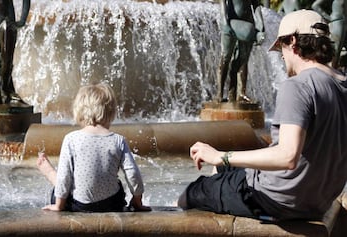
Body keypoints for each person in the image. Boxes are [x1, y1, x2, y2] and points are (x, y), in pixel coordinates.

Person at [178, 10, 347, 221]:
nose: (282, 56)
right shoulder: (342, 84)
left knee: (192, 193)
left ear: (293, 41)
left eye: (282, 49)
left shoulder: (299, 86)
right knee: (222, 171)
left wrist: (221, 155)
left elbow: (287, 156)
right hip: (317, 202)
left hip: (276, 198)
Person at [37, 83, 151, 212]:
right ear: (111, 112)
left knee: (59, 189)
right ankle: (53, 176)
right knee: (118, 184)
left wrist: (58, 206)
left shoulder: (71, 139)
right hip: (111, 205)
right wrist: (137, 201)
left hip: (79, 205)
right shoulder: (118, 140)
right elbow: (133, 174)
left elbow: (65, 177)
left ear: (79, 111)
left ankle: (52, 175)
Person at [216, 0, 265, 102]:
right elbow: (222, 3)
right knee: (226, 56)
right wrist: (225, 22)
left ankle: (241, 93)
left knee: (243, 58)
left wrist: (261, 27)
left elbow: (256, 5)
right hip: (231, 23)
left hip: (248, 24)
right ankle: (219, 93)